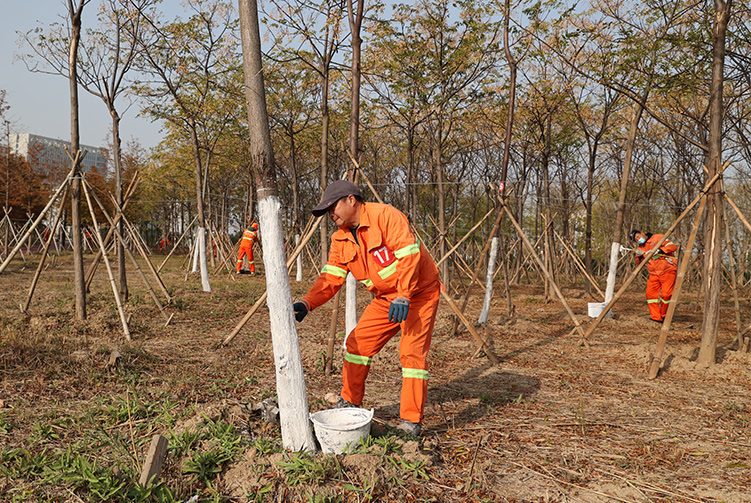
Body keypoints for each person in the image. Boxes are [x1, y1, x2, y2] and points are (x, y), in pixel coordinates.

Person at [292, 180, 440, 436]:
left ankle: (410, 422)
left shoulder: (386, 216)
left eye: (333, 207)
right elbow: (331, 278)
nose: (331, 214)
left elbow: (409, 256)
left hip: (418, 294)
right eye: (327, 211)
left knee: (411, 354)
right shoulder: (340, 239)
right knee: (357, 344)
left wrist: (404, 295)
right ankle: (350, 402)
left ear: (351, 200)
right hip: (386, 299)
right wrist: (308, 302)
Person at [630, 229, 678, 323]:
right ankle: (656, 317)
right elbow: (639, 261)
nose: (638, 240)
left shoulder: (658, 237)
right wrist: (639, 256)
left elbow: (673, 247)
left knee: (666, 295)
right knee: (650, 295)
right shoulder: (640, 248)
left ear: (642, 233)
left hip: (668, 271)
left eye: (638, 237)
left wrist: (661, 250)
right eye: (636, 240)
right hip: (653, 274)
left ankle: (664, 315)